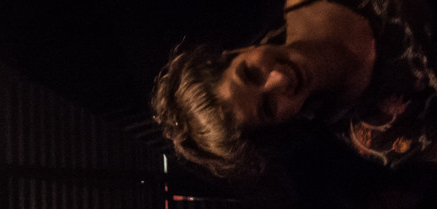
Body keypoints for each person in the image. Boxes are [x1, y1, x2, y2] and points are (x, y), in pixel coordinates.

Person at [151, 0, 437, 179]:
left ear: (238, 51)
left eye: (250, 73)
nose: (278, 79)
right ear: (279, 125)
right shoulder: (378, 135)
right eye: (267, 107)